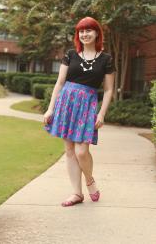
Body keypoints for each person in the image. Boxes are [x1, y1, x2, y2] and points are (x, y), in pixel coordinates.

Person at [43, 17, 115, 207]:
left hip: (87, 106)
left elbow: (108, 90)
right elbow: (59, 82)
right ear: (78, 34)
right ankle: (76, 193)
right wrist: (50, 108)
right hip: (66, 103)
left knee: (82, 152)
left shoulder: (106, 59)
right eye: (81, 31)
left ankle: (90, 180)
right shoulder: (70, 54)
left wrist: (101, 114)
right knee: (69, 151)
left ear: (97, 33)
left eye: (88, 30)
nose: (84, 34)